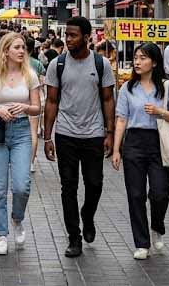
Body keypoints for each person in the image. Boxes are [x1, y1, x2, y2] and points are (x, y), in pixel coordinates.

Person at [43, 17, 116, 258]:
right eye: (67, 35)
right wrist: (47, 137)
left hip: (94, 133)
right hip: (66, 134)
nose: (68, 40)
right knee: (68, 186)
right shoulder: (58, 64)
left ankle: (88, 215)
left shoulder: (101, 64)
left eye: (73, 36)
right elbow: (51, 101)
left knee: (95, 183)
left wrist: (109, 132)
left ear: (87, 37)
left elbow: (107, 99)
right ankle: (74, 237)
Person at [111, 42, 169, 260]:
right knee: (136, 194)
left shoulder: (167, 87)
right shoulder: (127, 88)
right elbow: (121, 119)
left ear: (154, 62)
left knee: (160, 192)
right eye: (136, 58)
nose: (137, 62)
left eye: (143, 58)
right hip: (133, 142)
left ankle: (157, 227)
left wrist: (160, 111)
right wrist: (117, 149)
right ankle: (141, 243)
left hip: (158, 142)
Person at [0, 32, 41, 256]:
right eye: (17, 47)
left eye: (23, 47)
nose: (22, 51)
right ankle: (1, 234)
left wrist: (25, 108)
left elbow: (37, 107)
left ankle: (17, 218)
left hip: (22, 130)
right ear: (6, 51)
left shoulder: (30, 75)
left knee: (22, 185)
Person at [25, 36, 47, 174]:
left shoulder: (16, 63)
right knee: (33, 131)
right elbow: (43, 82)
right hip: (36, 99)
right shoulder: (37, 64)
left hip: (20, 100)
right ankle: (31, 162)